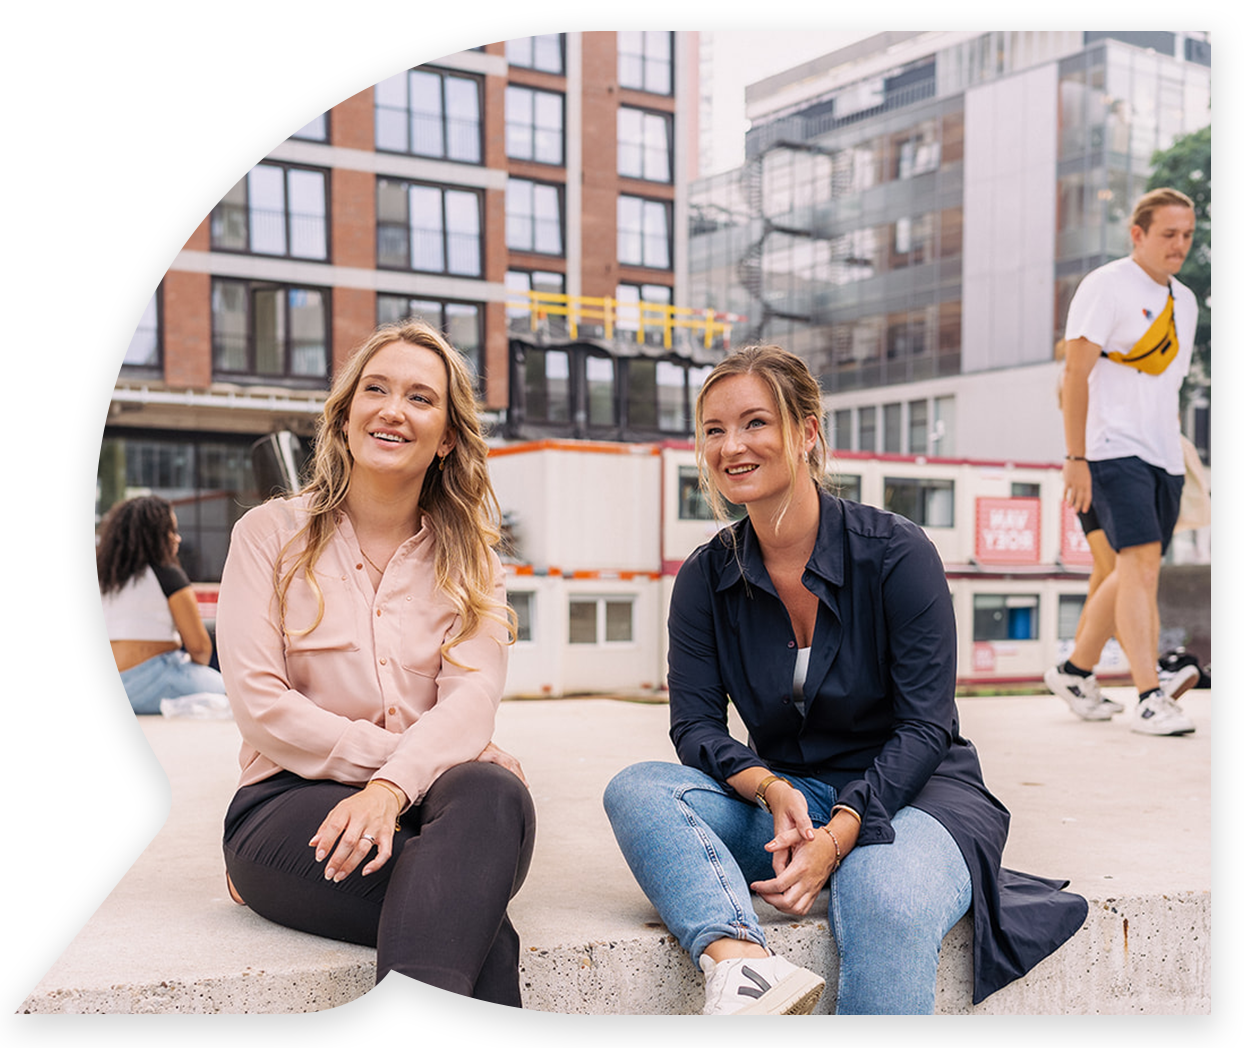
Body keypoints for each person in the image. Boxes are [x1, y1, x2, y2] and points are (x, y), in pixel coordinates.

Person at [604, 346, 1087, 1015]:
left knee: (882, 896)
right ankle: (742, 967)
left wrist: (840, 834)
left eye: (754, 423)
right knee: (637, 790)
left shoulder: (895, 554)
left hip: (915, 794)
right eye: (713, 430)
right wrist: (768, 787)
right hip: (792, 799)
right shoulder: (705, 577)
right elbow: (693, 726)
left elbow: (926, 725)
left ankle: (858, 862)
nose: (731, 446)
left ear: (806, 432)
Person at [215, 320, 535, 1006]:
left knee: (494, 792)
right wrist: (415, 759)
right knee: (473, 920)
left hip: (438, 815)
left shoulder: (474, 560)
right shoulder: (268, 534)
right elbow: (258, 702)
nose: (393, 409)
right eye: (376, 389)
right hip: (288, 804)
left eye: (420, 398)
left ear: (448, 435)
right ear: (347, 412)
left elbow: (471, 700)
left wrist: (392, 790)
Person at [1047, 188, 1200, 736]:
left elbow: (1167, 387)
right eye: (1168, 234)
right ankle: (1150, 696)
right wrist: (1076, 457)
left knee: (1133, 569)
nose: (1179, 245)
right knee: (1139, 563)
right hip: (1110, 448)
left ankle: (1074, 670)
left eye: (1187, 234)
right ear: (1138, 234)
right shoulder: (1106, 286)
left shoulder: (1186, 301)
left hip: (1163, 453)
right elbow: (1075, 376)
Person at [97, 496, 226, 714]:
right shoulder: (167, 576)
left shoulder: (104, 579)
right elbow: (200, 649)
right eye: (172, 531)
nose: (178, 539)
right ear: (155, 536)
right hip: (149, 683)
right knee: (229, 692)